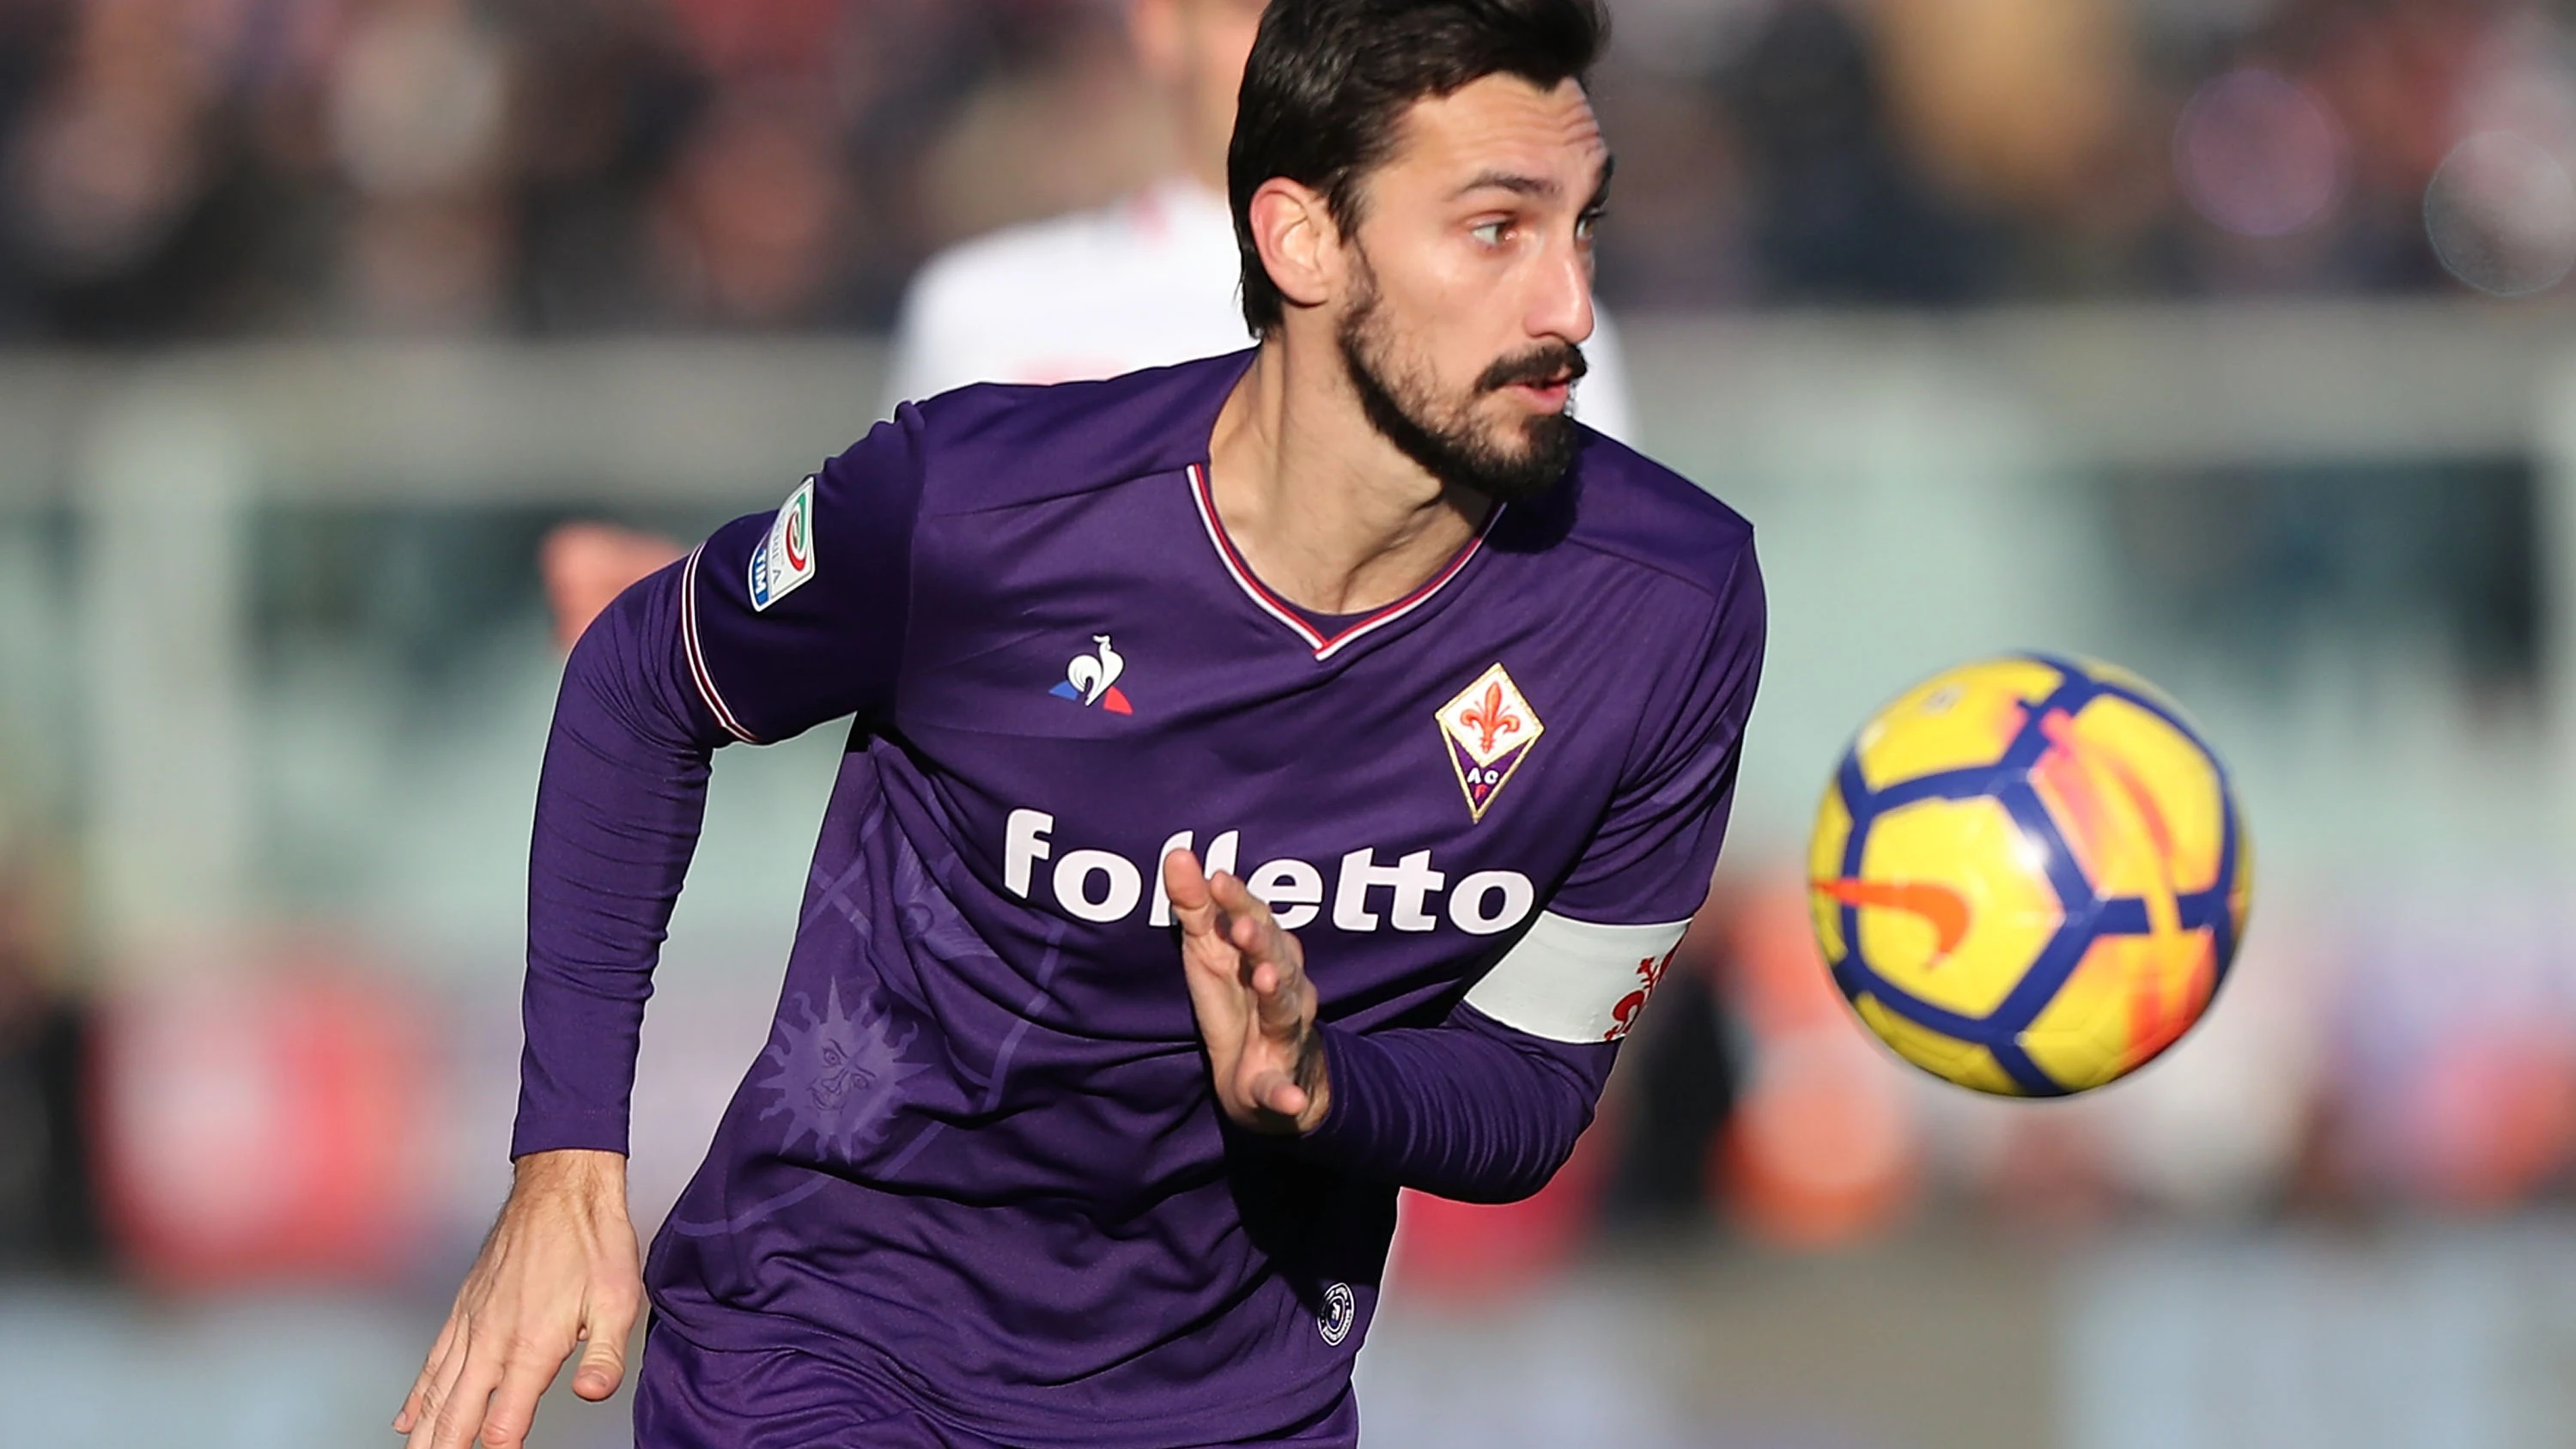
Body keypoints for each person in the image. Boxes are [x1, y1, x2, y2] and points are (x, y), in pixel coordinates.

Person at [395, 2, 1763, 1446]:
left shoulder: (1672, 603)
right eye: (1495, 230)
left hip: (1240, 1399)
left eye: (1582, 228)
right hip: (835, 1341)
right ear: (1300, 240)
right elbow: (639, 676)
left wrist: (1321, 1079)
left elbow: (1537, 1082)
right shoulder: (981, 501)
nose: (1567, 306)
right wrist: (563, 1167)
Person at [538, 0, 1640, 648]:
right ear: (1156, 23)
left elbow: (1587, 652)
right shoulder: (990, 308)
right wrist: (696, 615)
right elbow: (917, 644)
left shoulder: (1524, 308)